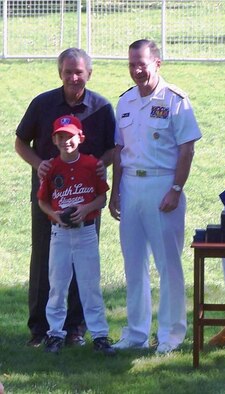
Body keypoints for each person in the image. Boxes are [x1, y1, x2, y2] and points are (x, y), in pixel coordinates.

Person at [15, 47, 116, 348]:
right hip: (49, 195)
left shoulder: (100, 107)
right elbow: (20, 142)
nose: (73, 77)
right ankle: (41, 329)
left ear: (89, 74)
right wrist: (39, 163)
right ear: (59, 73)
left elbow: (113, 148)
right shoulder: (43, 104)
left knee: (84, 263)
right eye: (68, 72)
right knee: (45, 259)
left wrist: (103, 163)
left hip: (86, 197)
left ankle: (75, 328)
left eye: (79, 72)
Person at [109, 39, 202, 354]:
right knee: (133, 264)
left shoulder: (175, 100)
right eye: (132, 64)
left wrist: (176, 189)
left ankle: (170, 336)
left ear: (157, 63)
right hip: (131, 186)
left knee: (168, 265)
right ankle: (135, 333)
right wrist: (115, 192)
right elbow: (121, 150)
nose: (137, 70)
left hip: (163, 185)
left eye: (142, 64)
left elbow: (187, 148)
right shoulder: (125, 101)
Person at [37, 115, 115, 355]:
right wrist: (55, 214)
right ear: (55, 140)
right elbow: (42, 201)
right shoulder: (52, 167)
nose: (65, 141)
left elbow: (101, 197)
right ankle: (55, 334)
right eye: (60, 137)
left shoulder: (92, 165)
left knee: (90, 285)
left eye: (70, 136)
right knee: (57, 286)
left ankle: (100, 336)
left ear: (80, 138)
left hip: (86, 232)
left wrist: (86, 209)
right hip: (59, 233)